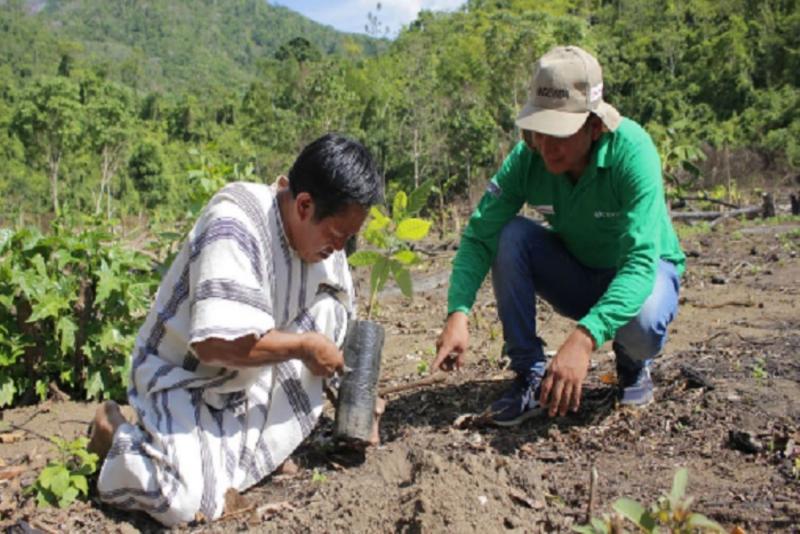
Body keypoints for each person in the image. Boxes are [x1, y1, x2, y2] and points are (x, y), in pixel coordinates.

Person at [87, 133, 384, 525]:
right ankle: (115, 434)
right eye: (336, 236)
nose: (340, 249)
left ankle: (253, 452)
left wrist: (360, 400)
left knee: (330, 309)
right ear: (304, 205)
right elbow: (212, 347)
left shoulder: (325, 247)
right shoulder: (235, 222)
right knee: (186, 502)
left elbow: (336, 330)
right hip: (187, 378)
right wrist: (305, 347)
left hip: (251, 378)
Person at [433, 45, 684, 426]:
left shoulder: (632, 153)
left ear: (595, 125)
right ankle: (530, 373)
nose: (545, 147)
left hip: (642, 275)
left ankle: (632, 364)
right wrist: (458, 311)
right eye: (538, 131)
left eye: (560, 134)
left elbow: (639, 262)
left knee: (643, 325)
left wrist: (584, 338)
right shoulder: (528, 158)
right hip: (579, 274)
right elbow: (479, 235)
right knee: (509, 234)